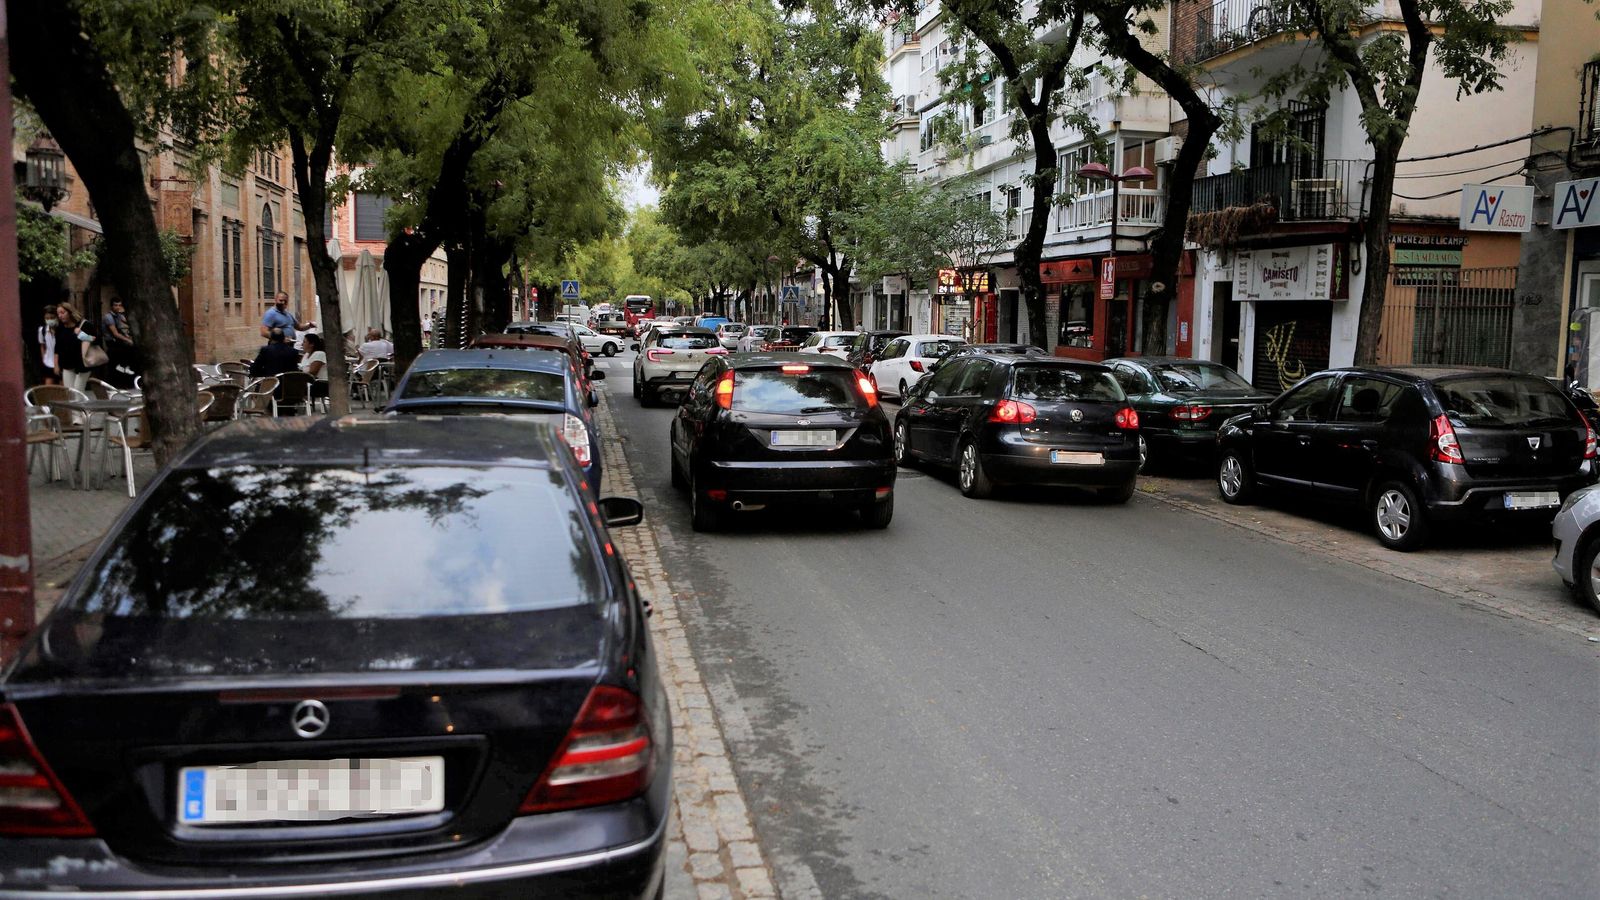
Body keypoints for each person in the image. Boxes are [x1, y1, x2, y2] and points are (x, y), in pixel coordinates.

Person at [53, 303, 96, 393]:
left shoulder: (84, 325)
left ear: (70, 312)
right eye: (58, 314)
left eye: (62, 312)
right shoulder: (60, 329)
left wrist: (81, 334)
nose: (60, 316)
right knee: (70, 393)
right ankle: (79, 407)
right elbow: (57, 348)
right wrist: (56, 365)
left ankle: (83, 407)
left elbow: (94, 339)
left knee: (78, 391)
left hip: (83, 364)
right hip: (67, 364)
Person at [101, 297, 138, 388]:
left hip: (118, 342)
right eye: (115, 305)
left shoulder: (119, 315)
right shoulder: (108, 317)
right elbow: (115, 333)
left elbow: (128, 323)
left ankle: (128, 378)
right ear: (111, 306)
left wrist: (124, 313)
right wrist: (128, 340)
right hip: (112, 343)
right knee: (118, 361)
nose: (117, 307)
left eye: (119, 305)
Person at [299, 333, 330, 402]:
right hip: (308, 381)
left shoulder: (319, 354)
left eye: (304, 342)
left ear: (311, 344)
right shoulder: (306, 355)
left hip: (320, 384)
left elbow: (313, 372)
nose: (302, 344)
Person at [37, 305, 58, 385]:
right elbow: (42, 345)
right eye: (47, 318)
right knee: (49, 387)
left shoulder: (61, 330)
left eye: (52, 318)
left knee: (63, 389)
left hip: (61, 362)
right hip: (48, 362)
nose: (49, 320)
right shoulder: (42, 330)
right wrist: (44, 358)